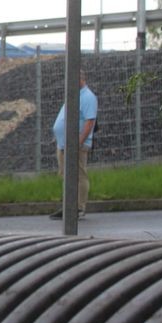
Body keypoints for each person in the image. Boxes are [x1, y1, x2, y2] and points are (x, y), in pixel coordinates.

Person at [50, 69, 97, 220]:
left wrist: (78, 143)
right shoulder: (73, 95)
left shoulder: (88, 97)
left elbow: (90, 122)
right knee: (66, 176)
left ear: (80, 79)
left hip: (76, 145)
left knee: (78, 175)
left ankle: (78, 207)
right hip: (64, 144)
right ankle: (67, 206)